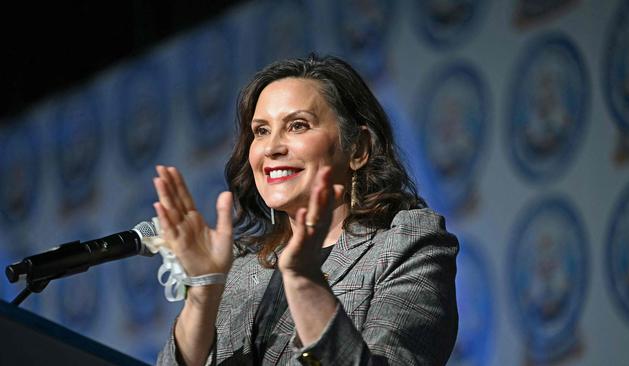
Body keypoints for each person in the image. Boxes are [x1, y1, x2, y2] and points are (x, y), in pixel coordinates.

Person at [154, 54, 459, 365]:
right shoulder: (239, 267)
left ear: (358, 148)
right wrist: (203, 294)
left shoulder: (407, 244)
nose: (272, 148)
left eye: (297, 125)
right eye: (261, 131)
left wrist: (305, 284)